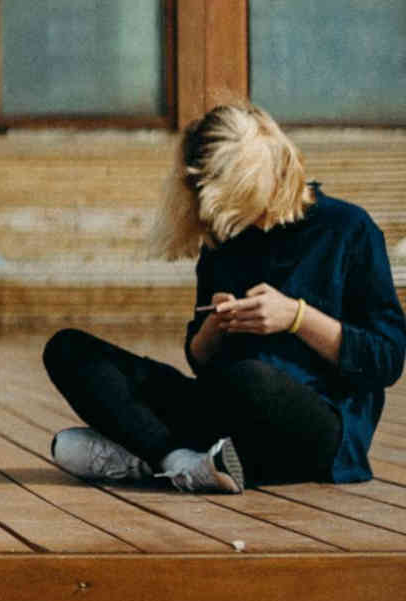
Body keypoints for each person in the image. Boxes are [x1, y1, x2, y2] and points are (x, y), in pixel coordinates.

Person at [43, 102, 405, 492]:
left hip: (317, 427)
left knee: (250, 380)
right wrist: (212, 331)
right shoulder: (227, 234)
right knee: (69, 350)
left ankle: (146, 456)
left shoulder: (348, 228)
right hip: (225, 409)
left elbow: (386, 360)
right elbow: (201, 361)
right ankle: (179, 461)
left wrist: (297, 318)